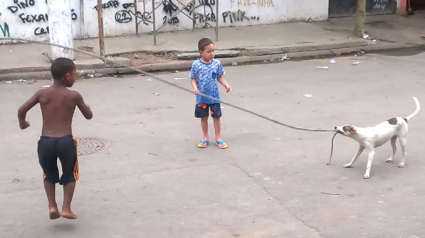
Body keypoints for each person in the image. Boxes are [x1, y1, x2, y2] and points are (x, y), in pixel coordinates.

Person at [17, 57, 93, 219]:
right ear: (67, 76)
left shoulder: (42, 94)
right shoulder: (74, 96)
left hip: (45, 143)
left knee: (49, 174)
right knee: (70, 175)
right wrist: (89, 110)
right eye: (74, 74)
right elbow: (88, 115)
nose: (75, 77)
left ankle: (52, 206)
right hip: (66, 142)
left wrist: (23, 123)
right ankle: (66, 208)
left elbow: (21, 110)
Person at [190, 38, 232, 149]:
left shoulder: (216, 63)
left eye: (213, 51)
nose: (212, 54)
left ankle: (218, 138)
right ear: (201, 52)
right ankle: (205, 137)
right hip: (202, 97)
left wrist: (226, 85)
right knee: (203, 117)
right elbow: (193, 78)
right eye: (208, 52)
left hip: (214, 97)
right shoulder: (196, 65)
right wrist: (195, 89)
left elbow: (219, 76)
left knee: (216, 117)